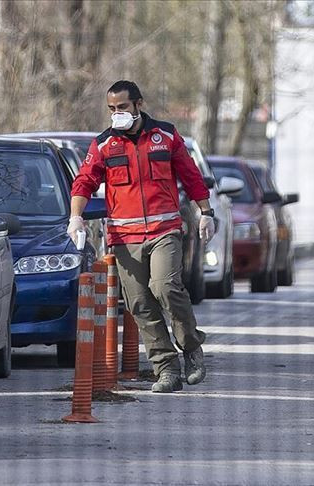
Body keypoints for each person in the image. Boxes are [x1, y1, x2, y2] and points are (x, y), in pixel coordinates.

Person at [67, 80, 215, 393]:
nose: (116, 114)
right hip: (124, 236)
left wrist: (206, 211)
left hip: (164, 231)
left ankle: (190, 347)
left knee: (165, 287)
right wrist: (75, 218)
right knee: (140, 305)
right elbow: (84, 182)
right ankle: (166, 370)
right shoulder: (104, 145)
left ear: (138, 104)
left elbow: (190, 175)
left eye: (122, 107)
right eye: (111, 109)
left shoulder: (166, 136)